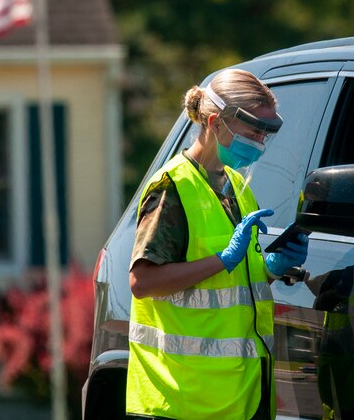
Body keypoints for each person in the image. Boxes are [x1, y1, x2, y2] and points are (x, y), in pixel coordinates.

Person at [125, 69, 310, 420]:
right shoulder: (171, 188)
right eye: (253, 131)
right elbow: (142, 283)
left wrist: (270, 268)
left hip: (240, 396)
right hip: (182, 402)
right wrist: (222, 259)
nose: (260, 141)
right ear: (215, 122)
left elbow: (235, 283)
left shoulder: (236, 185)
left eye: (265, 134)